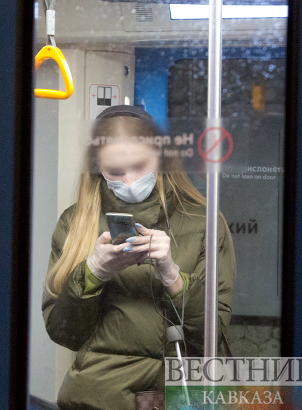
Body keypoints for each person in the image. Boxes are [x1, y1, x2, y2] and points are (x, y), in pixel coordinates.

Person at [42, 105, 234, 410]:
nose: (130, 181)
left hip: (181, 395)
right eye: (115, 172)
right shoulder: (75, 223)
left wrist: (172, 275)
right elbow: (64, 333)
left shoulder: (204, 222)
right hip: (100, 397)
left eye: (140, 166)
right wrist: (93, 272)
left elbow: (211, 334)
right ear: (97, 169)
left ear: (161, 158)